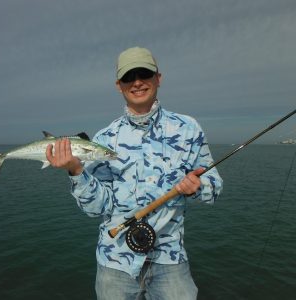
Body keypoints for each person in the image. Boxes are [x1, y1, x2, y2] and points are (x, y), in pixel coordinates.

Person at [46, 47, 223, 300]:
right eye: (129, 77)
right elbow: (96, 209)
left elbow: (214, 187)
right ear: (119, 85)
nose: (137, 82)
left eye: (144, 73)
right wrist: (75, 170)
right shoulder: (104, 139)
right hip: (114, 262)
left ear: (158, 78)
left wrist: (198, 187)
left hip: (170, 259)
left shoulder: (188, 129)